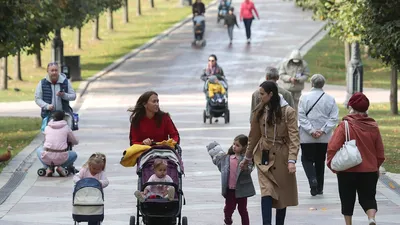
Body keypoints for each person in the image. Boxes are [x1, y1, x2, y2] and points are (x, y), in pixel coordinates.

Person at [240, 81, 300, 225]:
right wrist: (247, 157)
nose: (260, 97)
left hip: (282, 157)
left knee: (282, 195)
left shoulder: (288, 111)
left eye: (262, 94)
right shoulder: (259, 110)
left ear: (271, 94)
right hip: (263, 155)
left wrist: (292, 160)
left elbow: (294, 137)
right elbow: (253, 136)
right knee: (266, 191)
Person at [327, 92, 385, 225]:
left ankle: (349, 223)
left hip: (347, 170)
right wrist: (376, 165)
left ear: (351, 107)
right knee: (369, 198)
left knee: (347, 199)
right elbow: (380, 151)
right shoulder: (373, 126)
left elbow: (332, 146)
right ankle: (371, 218)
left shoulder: (345, 125)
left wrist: (332, 164)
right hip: (369, 170)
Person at [298, 74, 339, 196]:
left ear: (311, 83)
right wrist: (323, 130)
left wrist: (311, 130)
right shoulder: (330, 99)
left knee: (306, 159)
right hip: (324, 138)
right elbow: (334, 117)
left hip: (307, 137)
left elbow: (301, 116)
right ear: (323, 84)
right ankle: (319, 187)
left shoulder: (304, 98)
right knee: (320, 160)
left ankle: (312, 179)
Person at [206, 134, 255, 225]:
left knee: (243, 210)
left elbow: (250, 168)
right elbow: (219, 162)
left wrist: (245, 167)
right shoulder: (227, 158)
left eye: (237, 145)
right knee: (228, 209)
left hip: (242, 191)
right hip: (230, 190)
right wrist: (213, 149)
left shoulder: (246, 160)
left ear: (244, 147)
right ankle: (228, 221)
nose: (234, 147)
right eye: (234, 144)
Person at [37, 110, 79, 177]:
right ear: (63, 118)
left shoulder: (47, 128)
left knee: (38, 150)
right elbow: (75, 141)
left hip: (47, 155)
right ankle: (61, 167)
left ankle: (47, 167)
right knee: (74, 154)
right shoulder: (66, 128)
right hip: (61, 157)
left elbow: (45, 141)